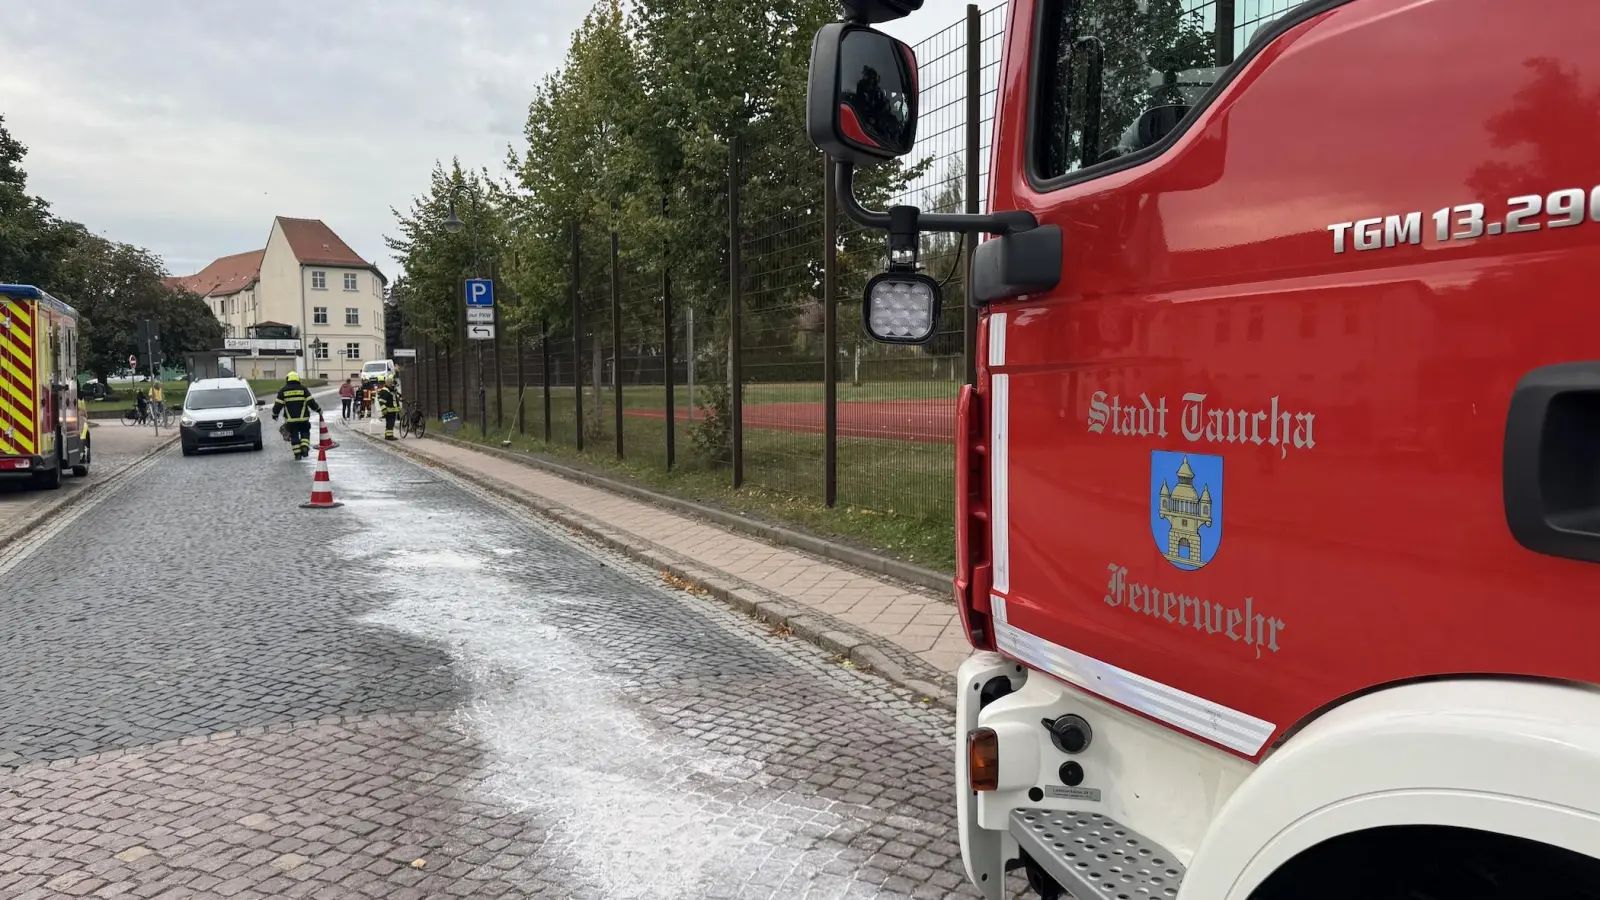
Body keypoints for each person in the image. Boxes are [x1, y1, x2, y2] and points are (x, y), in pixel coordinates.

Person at [270, 372, 322, 460]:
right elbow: (311, 402)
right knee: (305, 432)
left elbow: (278, 405)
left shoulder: (283, 391)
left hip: (291, 420)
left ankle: (297, 454)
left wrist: (275, 414)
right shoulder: (303, 389)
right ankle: (305, 446)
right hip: (303, 419)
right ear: (298, 379)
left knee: (294, 436)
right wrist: (318, 410)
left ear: (287, 379)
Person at [377, 374, 401, 441]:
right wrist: (384, 409)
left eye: (392, 383)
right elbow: (381, 401)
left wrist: (398, 408)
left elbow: (394, 400)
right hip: (388, 410)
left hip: (392, 410)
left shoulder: (391, 390)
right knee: (390, 423)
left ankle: (388, 435)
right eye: (390, 383)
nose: (392, 384)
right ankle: (389, 436)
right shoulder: (385, 391)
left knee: (391, 423)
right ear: (387, 383)